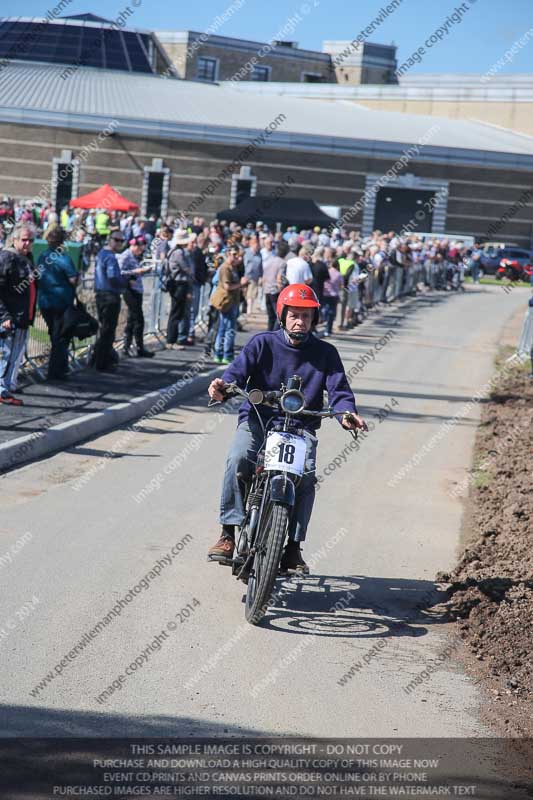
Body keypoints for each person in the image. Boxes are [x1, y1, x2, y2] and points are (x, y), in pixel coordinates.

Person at [206, 283, 367, 572]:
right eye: (294, 315)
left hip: (300, 428)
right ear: (282, 315)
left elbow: (339, 389)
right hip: (258, 419)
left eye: (306, 316)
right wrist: (222, 387)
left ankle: (292, 547)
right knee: (238, 458)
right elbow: (235, 375)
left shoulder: (326, 353)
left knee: (305, 476)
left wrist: (346, 413)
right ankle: (227, 532)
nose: (300, 321)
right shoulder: (262, 343)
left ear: (314, 320)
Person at [0, 222, 38, 405]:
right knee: (6, 354)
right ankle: (1, 390)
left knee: (15, 355)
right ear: (14, 239)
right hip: (10, 318)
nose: (27, 243)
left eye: (31, 240)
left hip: (23, 317)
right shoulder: (7, 258)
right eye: (24, 240)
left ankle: (7, 388)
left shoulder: (28, 258)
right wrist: (5, 316)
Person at [37, 225, 78, 380]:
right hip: (60, 302)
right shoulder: (64, 258)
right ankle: (56, 372)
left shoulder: (42, 255)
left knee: (55, 335)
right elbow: (73, 279)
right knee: (61, 337)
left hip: (45, 302)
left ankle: (61, 368)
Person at [93, 230, 127, 372]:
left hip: (100, 294)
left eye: (121, 240)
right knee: (108, 331)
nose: (119, 243)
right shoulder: (110, 257)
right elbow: (112, 276)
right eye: (116, 240)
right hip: (109, 296)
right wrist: (124, 283)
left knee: (104, 329)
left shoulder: (101, 254)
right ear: (110, 239)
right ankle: (102, 363)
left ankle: (97, 359)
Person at [117, 235, 154, 358]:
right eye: (139, 247)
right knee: (138, 318)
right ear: (133, 246)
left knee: (133, 319)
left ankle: (129, 347)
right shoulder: (126, 255)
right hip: (130, 290)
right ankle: (137, 347)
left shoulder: (134, 256)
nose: (141, 249)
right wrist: (137, 272)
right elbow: (120, 271)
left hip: (137, 289)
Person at [210, 245, 246, 364]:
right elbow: (227, 286)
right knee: (228, 328)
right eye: (234, 254)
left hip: (232, 301)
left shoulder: (233, 267)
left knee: (225, 327)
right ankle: (225, 354)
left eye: (237, 255)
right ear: (228, 254)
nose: (236, 257)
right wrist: (240, 284)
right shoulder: (225, 268)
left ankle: (221, 353)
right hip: (227, 301)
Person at [165, 232, 193, 350]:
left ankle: (172, 339)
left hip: (177, 283)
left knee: (176, 312)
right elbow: (186, 268)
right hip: (179, 283)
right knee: (176, 312)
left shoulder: (173, 251)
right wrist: (190, 270)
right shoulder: (178, 253)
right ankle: (171, 340)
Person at [322, 258, 343, 337]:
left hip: (325, 293)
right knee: (332, 312)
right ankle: (328, 329)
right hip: (334, 295)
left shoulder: (327, 272)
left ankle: (324, 320)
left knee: (325, 309)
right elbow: (341, 286)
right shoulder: (339, 274)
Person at [243, 238, 263, 316]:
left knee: (252, 294)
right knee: (245, 294)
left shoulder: (259, 254)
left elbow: (261, 266)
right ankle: (244, 309)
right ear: (251, 244)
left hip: (255, 277)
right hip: (245, 277)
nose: (257, 246)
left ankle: (249, 311)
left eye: (257, 245)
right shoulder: (246, 252)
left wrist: (261, 276)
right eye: (255, 245)